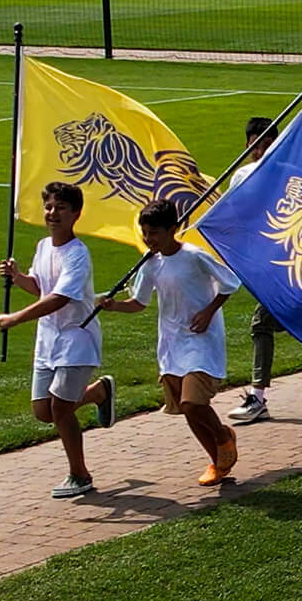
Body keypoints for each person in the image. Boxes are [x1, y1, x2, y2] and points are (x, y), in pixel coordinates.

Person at [98, 199, 240, 487]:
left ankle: (224, 437)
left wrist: (209, 311)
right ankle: (216, 461)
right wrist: (113, 306)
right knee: (186, 409)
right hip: (172, 343)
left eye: (154, 233)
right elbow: (139, 302)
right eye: (145, 233)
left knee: (193, 401)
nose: (149, 239)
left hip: (201, 338)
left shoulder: (194, 256)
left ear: (172, 229)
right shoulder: (150, 265)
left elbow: (230, 283)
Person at [0, 180, 115, 499]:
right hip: (48, 343)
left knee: (61, 411)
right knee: (43, 411)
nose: (52, 213)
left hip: (76, 341)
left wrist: (16, 318)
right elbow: (42, 286)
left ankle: (80, 474)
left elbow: (60, 298)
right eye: (49, 207)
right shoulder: (42, 247)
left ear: (76, 214)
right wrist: (19, 278)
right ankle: (98, 393)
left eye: (60, 208)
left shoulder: (78, 254)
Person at [227, 114, 282, 426]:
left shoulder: (288, 175)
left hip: (293, 262)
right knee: (278, 321)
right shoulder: (241, 175)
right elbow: (233, 216)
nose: (261, 150)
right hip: (264, 263)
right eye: (256, 144)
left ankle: (258, 399)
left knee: (262, 321)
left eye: (267, 143)